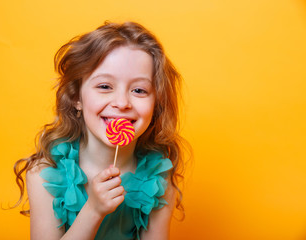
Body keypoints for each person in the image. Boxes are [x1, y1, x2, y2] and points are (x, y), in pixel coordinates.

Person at [13, 21, 190, 240]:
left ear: (156, 105)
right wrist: (93, 211)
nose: (122, 102)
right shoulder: (45, 174)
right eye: (105, 86)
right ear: (77, 97)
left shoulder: (156, 182)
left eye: (139, 90)